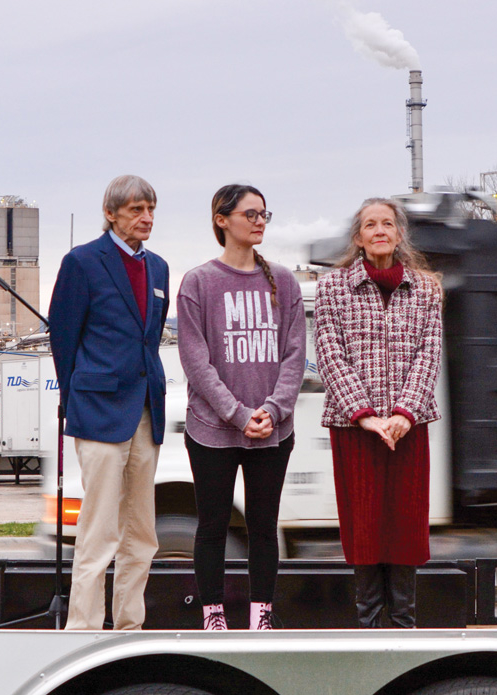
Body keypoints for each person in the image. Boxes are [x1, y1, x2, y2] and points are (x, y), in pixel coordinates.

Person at [177, 185, 306, 631]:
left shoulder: (284, 281)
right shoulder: (198, 282)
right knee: (212, 526)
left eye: (264, 214)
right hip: (213, 429)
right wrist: (236, 413)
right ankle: (214, 617)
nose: (259, 221)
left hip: (273, 429)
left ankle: (261, 617)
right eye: (250, 213)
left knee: (263, 527)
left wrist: (273, 409)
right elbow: (195, 360)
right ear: (221, 219)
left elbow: (294, 354)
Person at [48, 175, 170, 631]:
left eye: (151, 209)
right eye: (137, 209)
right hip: (99, 410)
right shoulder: (82, 262)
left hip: (145, 410)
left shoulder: (158, 268)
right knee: (98, 529)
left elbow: (149, 338)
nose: (146, 218)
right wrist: (76, 396)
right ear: (111, 212)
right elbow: (64, 338)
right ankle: (81, 629)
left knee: (142, 532)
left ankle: (128, 627)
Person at [314, 198, 443, 628]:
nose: (380, 230)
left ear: (400, 233)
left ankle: (404, 623)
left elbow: (430, 353)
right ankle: (367, 623)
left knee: (405, 526)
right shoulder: (333, 287)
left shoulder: (426, 288)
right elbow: (330, 354)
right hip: (356, 429)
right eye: (370, 225)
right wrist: (366, 416)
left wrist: (405, 413)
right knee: (365, 526)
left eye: (388, 223)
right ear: (358, 237)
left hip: (409, 427)